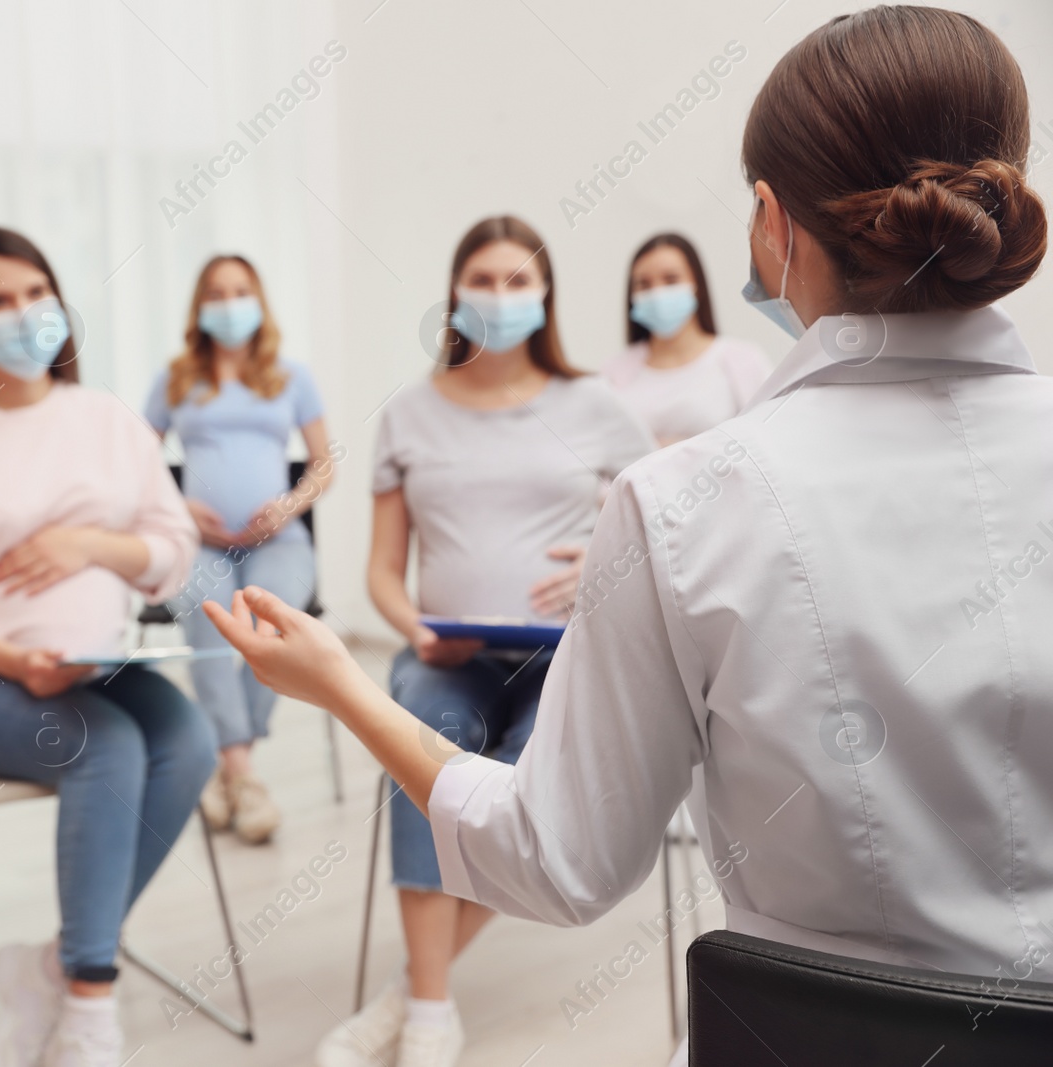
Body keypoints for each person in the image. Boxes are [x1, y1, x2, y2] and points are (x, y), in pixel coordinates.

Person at [205, 8, 1050, 1067]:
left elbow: (558, 858)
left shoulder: (684, 497)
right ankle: (422, 998)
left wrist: (338, 682)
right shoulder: (598, 467)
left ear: (769, 224)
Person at [0, 227, 215, 1067]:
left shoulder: (107, 421)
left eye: (36, 294)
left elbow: (173, 552)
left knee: (189, 740)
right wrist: (8, 656)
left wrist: (92, 545)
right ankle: (90, 1007)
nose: (25, 314)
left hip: (92, 669)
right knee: (106, 745)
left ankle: (52, 966)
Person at [319, 216, 654, 1067]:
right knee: (421, 754)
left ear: (544, 298)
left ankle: (404, 990)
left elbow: (654, 537)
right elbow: (383, 571)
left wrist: (601, 567)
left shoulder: (599, 408)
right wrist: (411, 628)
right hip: (446, 659)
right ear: (455, 294)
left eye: (517, 281)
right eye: (484, 280)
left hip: (565, 657)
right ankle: (431, 1009)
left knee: (519, 791)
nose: (499, 297)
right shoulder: (408, 415)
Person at [144, 254, 333, 845]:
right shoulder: (176, 379)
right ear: (200, 308)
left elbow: (325, 465)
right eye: (217, 294)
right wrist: (176, 509)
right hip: (196, 544)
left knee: (268, 618)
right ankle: (245, 774)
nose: (229, 305)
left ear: (260, 300)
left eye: (240, 291)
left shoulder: (292, 377)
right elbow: (132, 463)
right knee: (213, 614)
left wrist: (287, 505)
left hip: (281, 539)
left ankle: (227, 762)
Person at [602, 233, 773, 446]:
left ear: (696, 285)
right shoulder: (613, 372)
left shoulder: (743, 359)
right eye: (644, 284)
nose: (657, 292)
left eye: (671, 279)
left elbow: (765, 443)